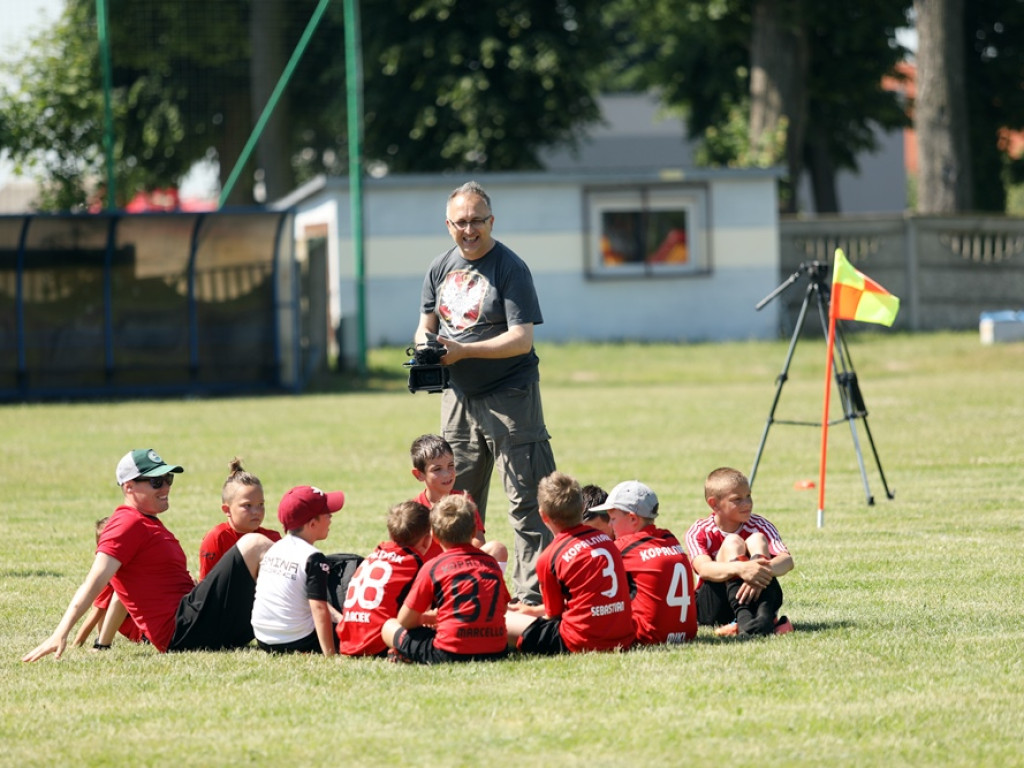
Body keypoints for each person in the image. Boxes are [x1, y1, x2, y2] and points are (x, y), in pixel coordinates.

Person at [414, 180, 556, 605]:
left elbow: (521, 339)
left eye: (477, 220)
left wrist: (463, 352)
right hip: (456, 397)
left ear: (491, 221)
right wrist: (426, 348)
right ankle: (461, 592)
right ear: (448, 224)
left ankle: (532, 598)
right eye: (461, 222)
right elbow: (426, 324)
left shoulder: (510, 268)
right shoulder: (439, 267)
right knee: (455, 505)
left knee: (526, 501)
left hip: (510, 395)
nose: (469, 229)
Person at [23, 449, 275, 662]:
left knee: (261, 547)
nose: (165, 486)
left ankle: (301, 626)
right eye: (156, 481)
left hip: (198, 623)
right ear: (129, 486)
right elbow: (95, 582)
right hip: (181, 631)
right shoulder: (125, 523)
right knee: (253, 544)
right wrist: (61, 632)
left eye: (167, 479)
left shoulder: (148, 522)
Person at [506, 471, 634, 655]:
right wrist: (532, 610)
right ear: (582, 507)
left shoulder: (550, 556)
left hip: (581, 642)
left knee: (502, 620)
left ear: (543, 515)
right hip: (623, 637)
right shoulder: (608, 541)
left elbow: (554, 615)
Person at [382, 494, 510, 664]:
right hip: (497, 651)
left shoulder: (433, 567)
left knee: (389, 627)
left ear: (433, 535)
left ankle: (407, 653)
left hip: (449, 653)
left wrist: (429, 619)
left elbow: (405, 620)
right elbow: (502, 607)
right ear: (473, 531)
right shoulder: (491, 563)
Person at [685, 467, 794, 637]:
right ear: (714, 504)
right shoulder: (699, 530)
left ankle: (761, 618)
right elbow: (704, 569)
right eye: (737, 499)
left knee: (757, 538)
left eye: (749, 496)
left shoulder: (760, 524)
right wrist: (741, 569)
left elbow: (787, 561)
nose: (747, 503)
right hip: (714, 607)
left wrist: (757, 571)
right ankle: (747, 620)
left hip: (757, 597)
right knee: (732, 542)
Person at [592, 481, 697, 645]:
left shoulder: (624, 547)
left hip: (647, 636)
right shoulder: (668, 538)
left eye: (612, 519)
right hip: (687, 633)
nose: (610, 526)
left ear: (633, 519)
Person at [251, 486, 346, 655]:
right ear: (312, 524)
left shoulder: (275, 547)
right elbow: (319, 609)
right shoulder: (313, 557)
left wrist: (339, 618)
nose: (331, 517)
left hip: (263, 638)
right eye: (327, 513)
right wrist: (330, 655)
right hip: (295, 641)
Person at [337, 501, 433, 657]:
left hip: (348, 641)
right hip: (377, 643)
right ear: (427, 539)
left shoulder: (374, 554)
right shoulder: (413, 563)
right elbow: (414, 614)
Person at [410, 433, 508, 570]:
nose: (447, 473)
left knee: (497, 549)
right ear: (419, 474)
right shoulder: (415, 510)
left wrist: (457, 557)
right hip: (432, 574)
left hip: (461, 565)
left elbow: (478, 540)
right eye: (437, 469)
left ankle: (489, 590)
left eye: (451, 465)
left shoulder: (463, 500)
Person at [198, 457, 281, 580]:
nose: (257, 512)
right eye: (247, 506)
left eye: (261, 505)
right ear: (227, 510)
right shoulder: (217, 538)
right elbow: (207, 585)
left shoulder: (271, 539)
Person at [71, 516, 145, 650]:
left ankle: (102, 640)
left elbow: (95, 614)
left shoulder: (112, 576)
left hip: (145, 635)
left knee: (102, 605)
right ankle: (102, 637)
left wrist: (76, 643)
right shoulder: (128, 567)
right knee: (104, 604)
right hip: (152, 629)